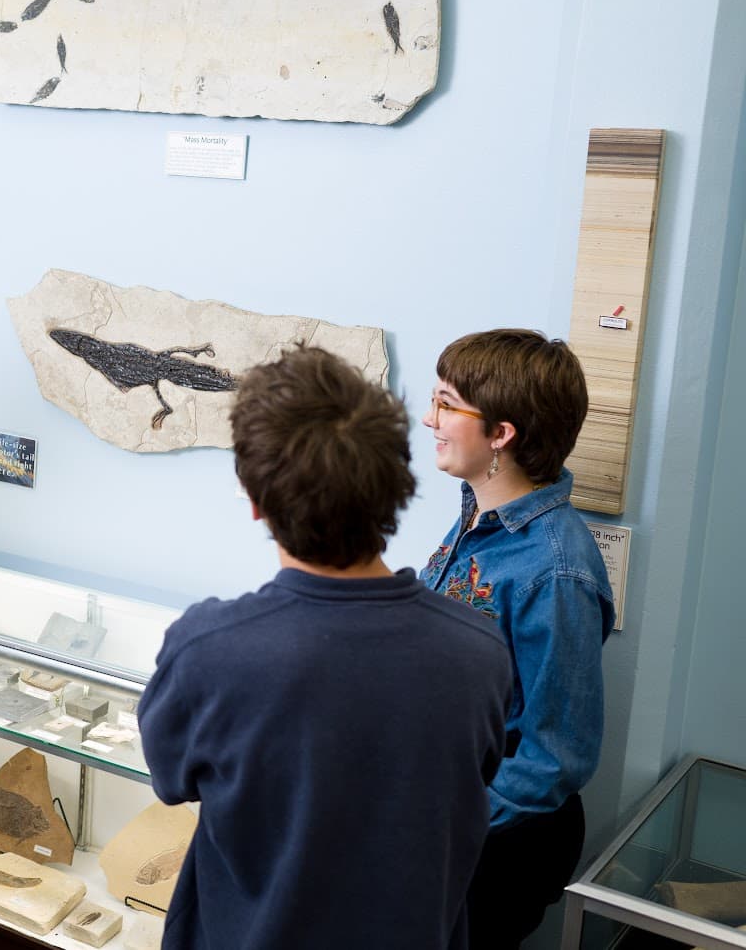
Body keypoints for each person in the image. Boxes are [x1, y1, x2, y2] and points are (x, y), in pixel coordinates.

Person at [138, 346, 511, 950]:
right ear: (396, 484)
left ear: (255, 499)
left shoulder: (209, 649)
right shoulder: (479, 652)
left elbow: (171, 779)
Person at [421, 328, 616, 948]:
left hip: (495, 841)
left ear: (501, 434)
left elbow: (556, 755)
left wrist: (442, 823)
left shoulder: (556, 568)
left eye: (447, 404)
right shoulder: (478, 517)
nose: (430, 419)